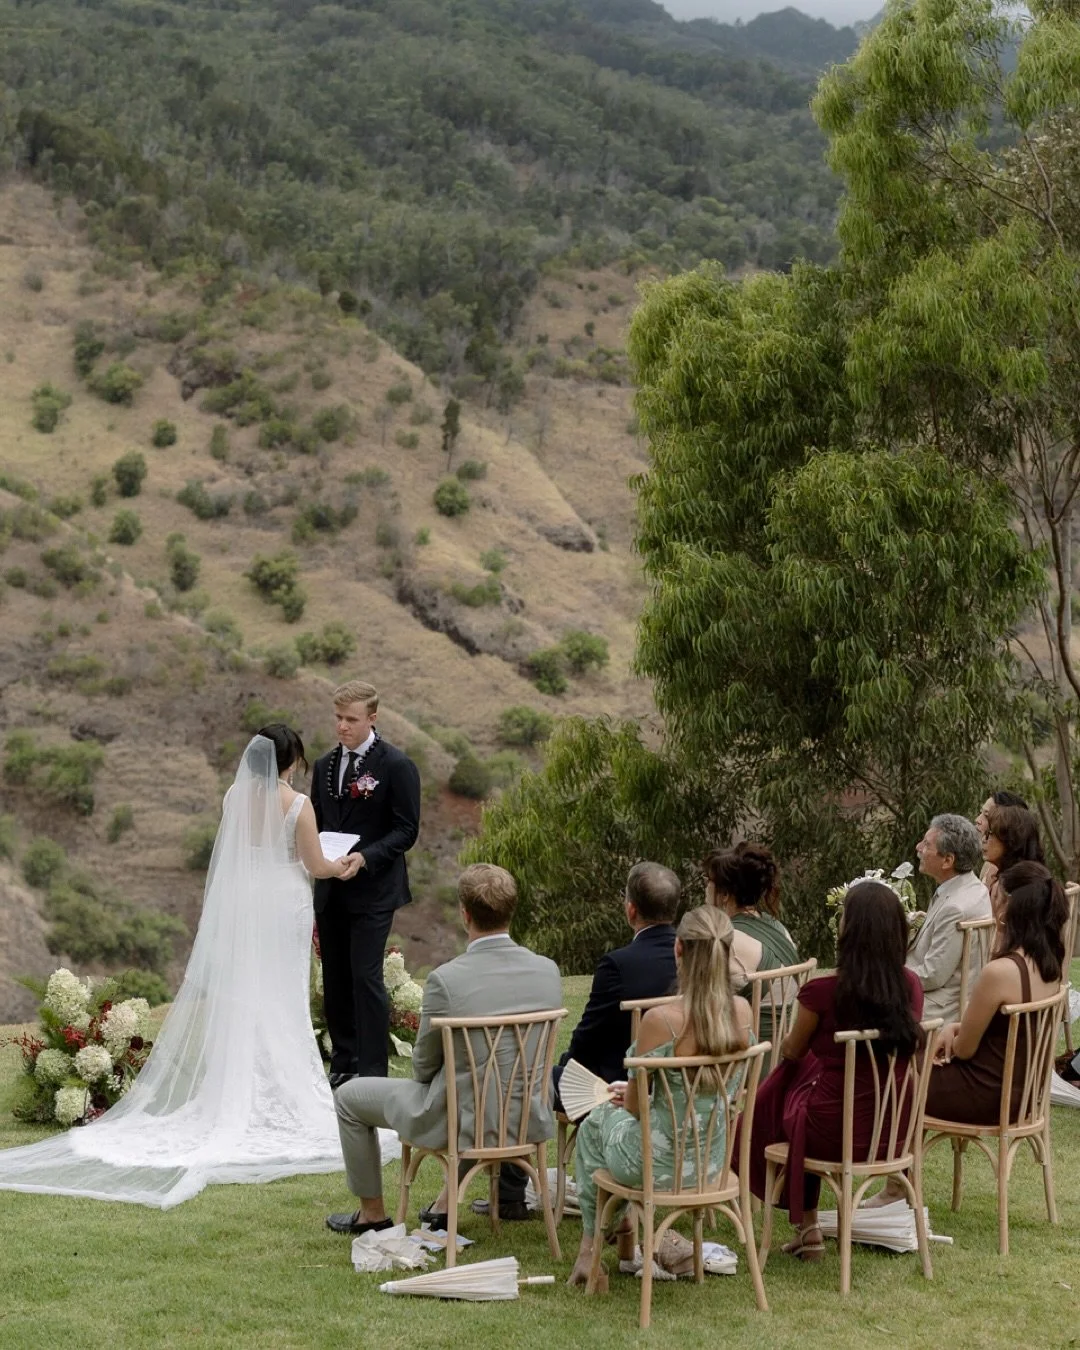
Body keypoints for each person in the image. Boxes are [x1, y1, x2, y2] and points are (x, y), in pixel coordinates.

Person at [0, 729, 399, 1208]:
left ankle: (233, 1084)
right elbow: (314, 865)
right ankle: (277, 1084)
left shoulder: (234, 795)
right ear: (290, 763)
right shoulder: (296, 804)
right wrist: (345, 863)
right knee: (279, 994)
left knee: (246, 990)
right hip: (281, 904)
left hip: (244, 902)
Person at [326, 863, 562, 1235]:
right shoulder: (548, 971)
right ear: (511, 910)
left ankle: (372, 1213)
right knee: (476, 1088)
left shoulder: (447, 980)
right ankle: (443, 1204)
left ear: (465, 914)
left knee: (349, 1097)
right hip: (525, 1114)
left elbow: (422, 1067)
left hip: (464, 1119)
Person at [567, 906, 752, 1291]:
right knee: (622, 1129)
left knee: (596, 1123)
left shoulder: (660, 1020)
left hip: (655, 1166)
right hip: (711, 1163)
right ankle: (627, 1239)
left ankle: (591, 1251)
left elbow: (635, 1109)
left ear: (678, 949)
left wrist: (626, 1096)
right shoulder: (742, 1012)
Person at [740, 881, 924, 1258]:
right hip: (893, 1128)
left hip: (833, 1129)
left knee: (785, 1092)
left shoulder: (822, 992)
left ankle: (806, 1223)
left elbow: (790, 1050)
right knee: (802, 1090)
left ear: (849, 931)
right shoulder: (911, 988)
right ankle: (806, 1225)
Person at [488, 862, 679, 1222]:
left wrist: (562, 1066)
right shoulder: (697, 960)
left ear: (631, 909)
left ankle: (511, 1194)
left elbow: (587, 1041)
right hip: (679, 1089)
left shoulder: (620, 964)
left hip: (612, 1090)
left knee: (525, 1078)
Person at [311, 679, 421, 1087]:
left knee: (365, 974)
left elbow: (406, 829)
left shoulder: (396, 765)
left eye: (351, 720)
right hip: (331, 887)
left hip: (374, 889)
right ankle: (344, 1062)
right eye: (338, 718)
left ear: (372, 718)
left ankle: (372, 1069)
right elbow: (321, 824)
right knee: (336, 977)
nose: (342, 727)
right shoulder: (324, 767)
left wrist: (365, 858)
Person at [925, 861, 1067, 1123]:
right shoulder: (1049, 967)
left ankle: (894, 1159)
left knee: (902, 1078)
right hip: (1023, 1093)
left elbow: (965, 1050)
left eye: (994, 895)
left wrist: (951, 1037)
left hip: (985, 1095)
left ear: (1006, 910)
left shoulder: (1000, 972)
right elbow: (999, 1031)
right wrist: (953, 1028)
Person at [704, 842, 798, 1033]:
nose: (706, 886)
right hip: (781, 1051)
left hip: (747, 1056)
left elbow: (704, 1005)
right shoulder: (778, 927)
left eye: (709, 881)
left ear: (724, 894)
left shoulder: (726, 940)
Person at [907, 814, 991, 1023]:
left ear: (947, 860)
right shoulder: (974, 887)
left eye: (926, 844)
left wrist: (884, 973)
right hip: (948, 998)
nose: (918, 847)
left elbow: (932, 975)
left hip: (937, 1009)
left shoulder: (954, 907)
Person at [981, 803, 1044, 928]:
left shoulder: (1016, 888)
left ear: (1011, 840)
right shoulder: (1030, 877)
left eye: (990, 834)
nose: (984, 839)